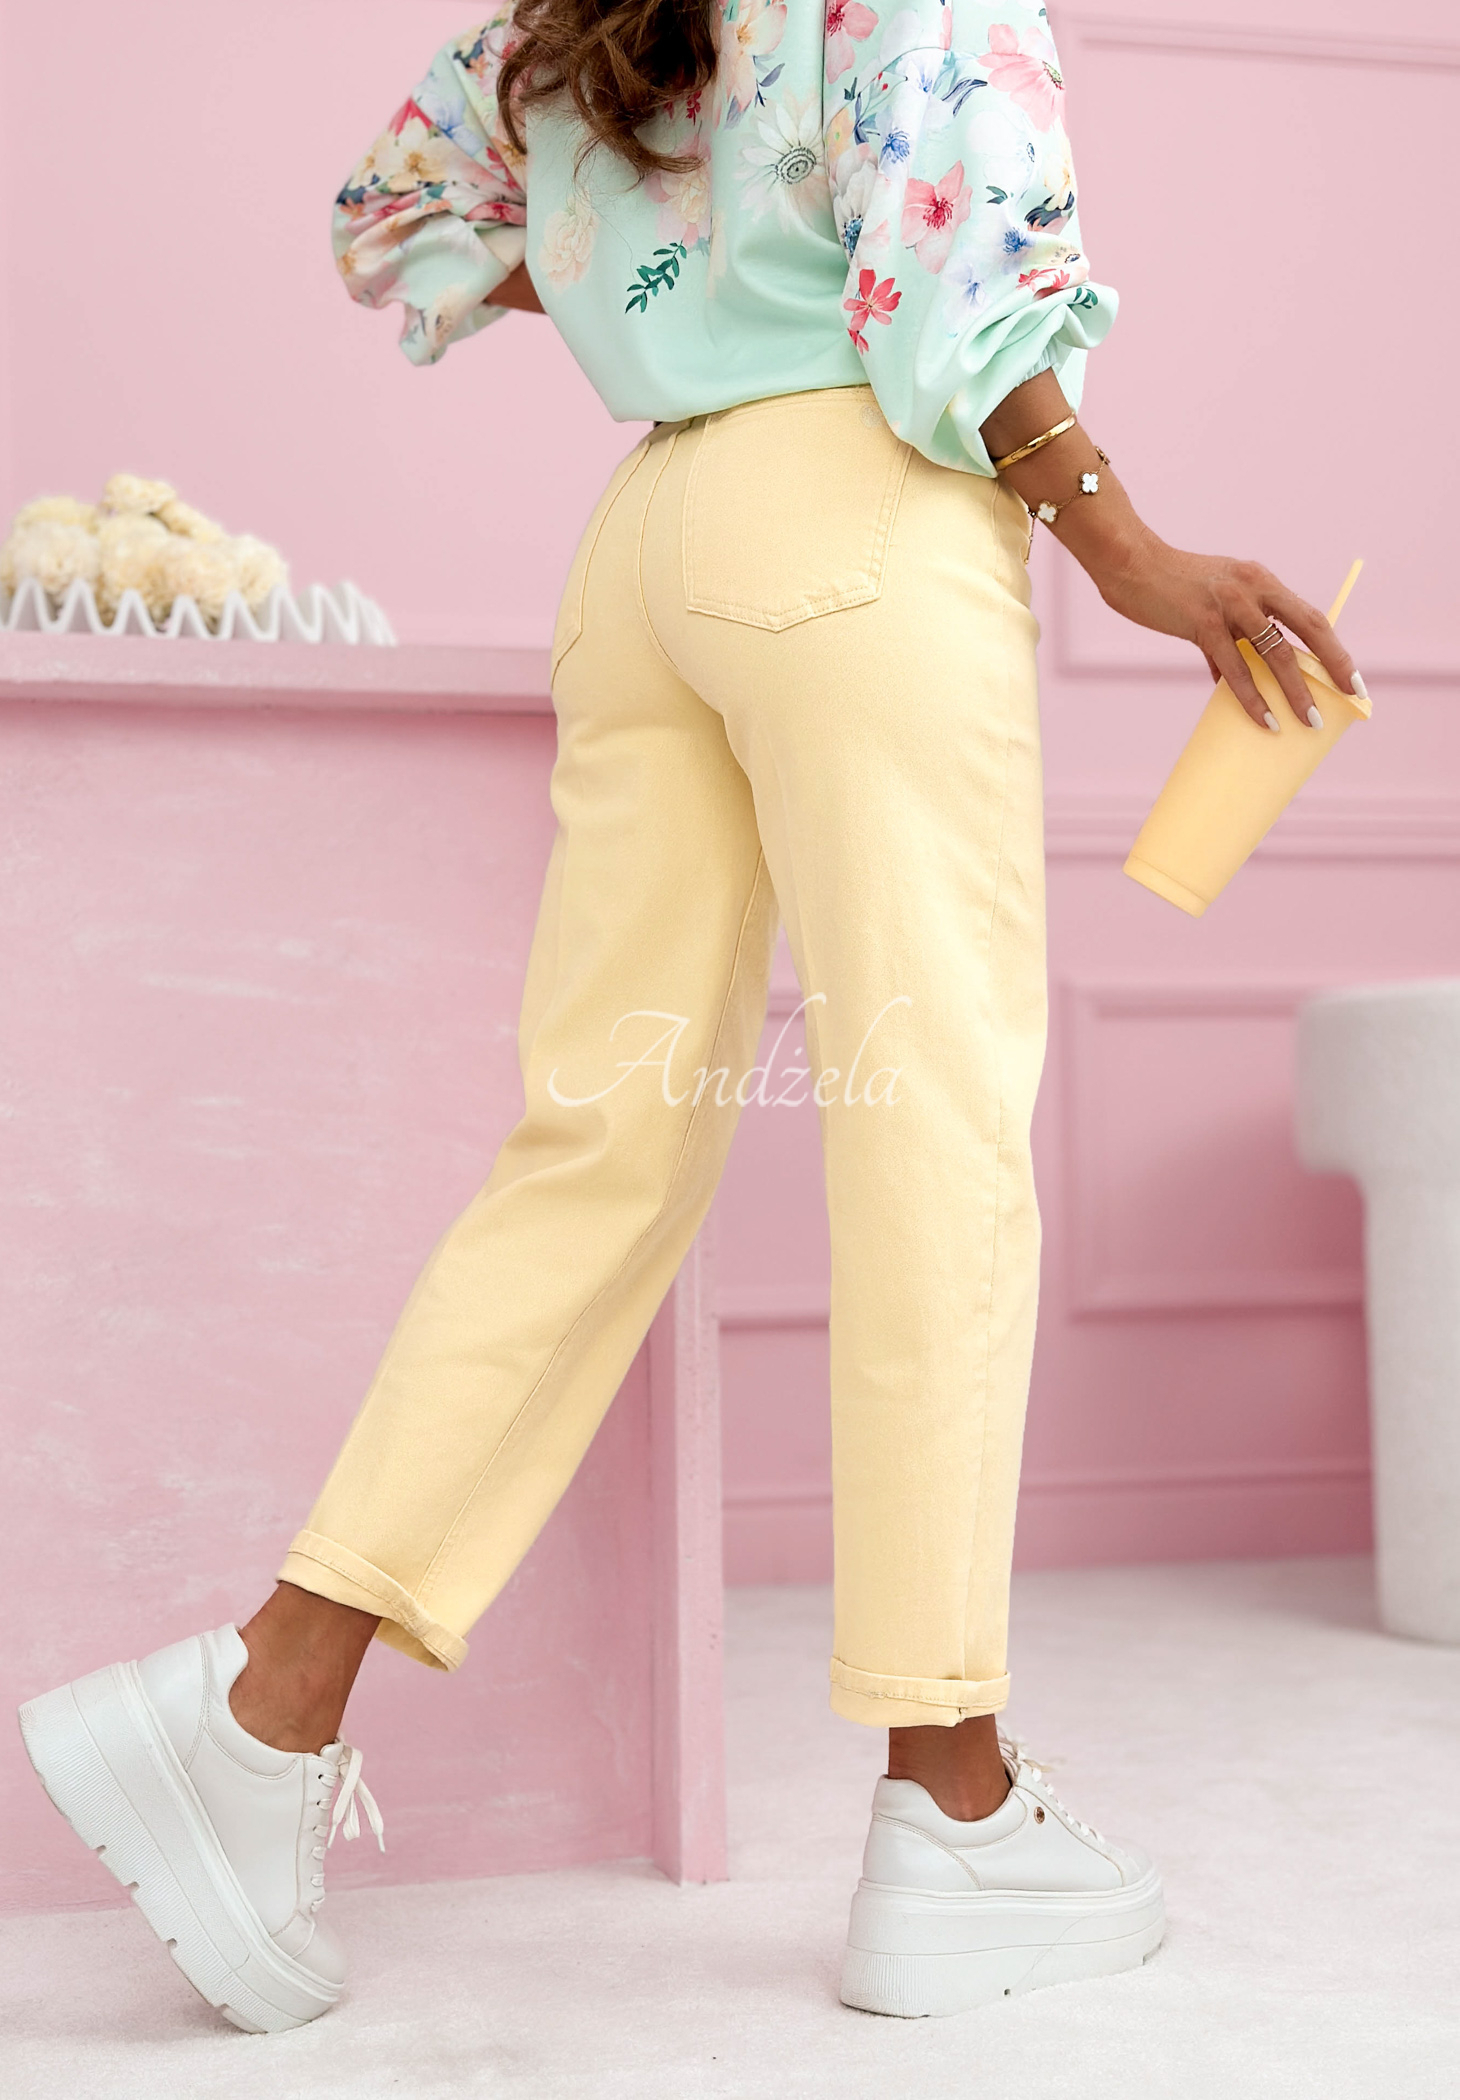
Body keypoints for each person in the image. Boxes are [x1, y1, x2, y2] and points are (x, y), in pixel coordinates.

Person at [19, 0, 1361, 2034]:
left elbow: (389, 215)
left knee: (599, 1149)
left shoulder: (573, 27)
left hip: (646, 549)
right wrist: (1125, 544)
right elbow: (958, 266)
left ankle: (264, 1704)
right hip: (858, 526)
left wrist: (651, 277)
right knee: (930, 1135)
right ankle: (953, 1800)